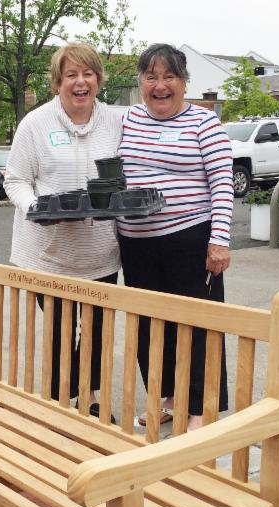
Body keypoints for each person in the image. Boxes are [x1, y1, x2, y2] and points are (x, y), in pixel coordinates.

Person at [117, 43, 234, 431]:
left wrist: (219, 240)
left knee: (197, 325)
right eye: (151, 77)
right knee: (151, 327)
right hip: (136, 243)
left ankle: (201, 408)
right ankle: (165, 399)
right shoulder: (129, 119)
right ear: (140, 83)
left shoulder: (205, 124)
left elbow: (222, 185)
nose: (160, 85)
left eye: (169, 76)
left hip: (190, 240)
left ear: (184, 82)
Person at [4, 43, 122, 414]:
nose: (80, 82)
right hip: (48, 255)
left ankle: (90, 399)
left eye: (87, 73)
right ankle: (59, 405)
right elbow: (16, 180)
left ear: (99, 80)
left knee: (97, 333)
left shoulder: (117, 121)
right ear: (57, 83)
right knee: (60, 332)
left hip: (101, 254)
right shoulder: (36, 124)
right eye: (71, 75)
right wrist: (35, 206)